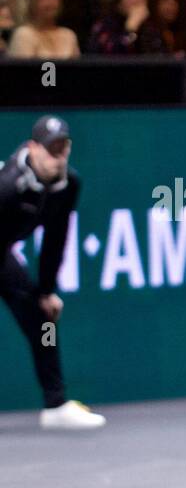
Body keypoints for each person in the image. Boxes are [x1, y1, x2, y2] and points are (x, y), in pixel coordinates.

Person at [0, 116, 105, 429]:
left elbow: (55, 240)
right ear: (33, 149)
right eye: (50, 149)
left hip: (1, 252)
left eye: (63, 148)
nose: (57, 155)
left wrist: (46, 290)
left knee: (41, 316)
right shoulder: (7, 187)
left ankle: (56, 406)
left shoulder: (69, 185)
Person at [7, 0, 79, 59]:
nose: (50, 2)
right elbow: (23, 72)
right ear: (29, 4)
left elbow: (77, 71)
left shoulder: (68, 35)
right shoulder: (24, 34)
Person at [87, 0, 165, 55]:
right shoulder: (104, 26)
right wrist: (131, 28)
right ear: (117, 3)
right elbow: (113, 57)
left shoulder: (151, 26)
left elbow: (159, 57)